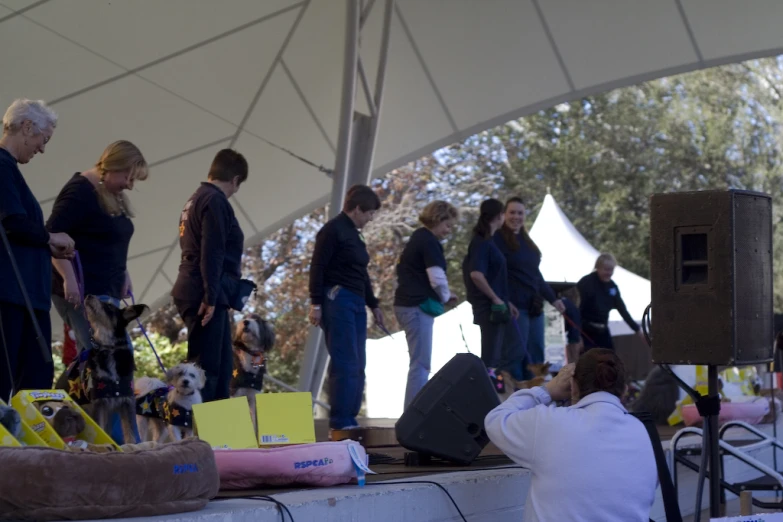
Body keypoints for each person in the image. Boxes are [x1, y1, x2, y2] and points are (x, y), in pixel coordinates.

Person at [485, 349, 657, 522]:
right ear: (624, 390)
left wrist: (548, 390)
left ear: (573, 386)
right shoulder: (643, 433)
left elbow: (495, 420)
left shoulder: (550, 423)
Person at [0, 98, 74, 402]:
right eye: (43, 140)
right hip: (11, 296)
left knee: (37, 379)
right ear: (27, 127)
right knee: (21, 378)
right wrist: (49, 238)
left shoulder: (10, 170)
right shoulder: (2, 167)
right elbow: (13, 221)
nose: (42, 148)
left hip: (25, 295)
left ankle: (25, 447)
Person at [47, 140, 149, 355]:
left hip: (107, 289)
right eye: (128, 178)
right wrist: (69, 278)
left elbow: (108, 240)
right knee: (102, 354)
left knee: (113, 353)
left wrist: (124, 272)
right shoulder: (79, 192)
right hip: (85, 291)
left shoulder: (111, 194)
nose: (130, 185)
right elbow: (52, 236)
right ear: (113, 167)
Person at [171, 149, 248, 403]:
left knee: (223, 364)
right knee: (209, 369)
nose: (235, 191)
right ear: (235, 180)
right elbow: (212, 251)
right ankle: (206, 434)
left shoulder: (196, 198)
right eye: (238, 185)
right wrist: (211, 295)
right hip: (203, 291)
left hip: (196, 285)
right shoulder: (215, 201)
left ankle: (218, 430)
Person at [308, 184, 385, 430]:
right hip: (336, 298)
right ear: (358, 209)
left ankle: (350, 417)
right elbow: (317, 267)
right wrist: (316, 303)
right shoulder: (332, 231)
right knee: (345, 361)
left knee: (359, 362)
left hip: (356, 301)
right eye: (370, 213)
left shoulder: (355, 234)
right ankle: (340, 421)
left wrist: (374, 304)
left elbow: (361, 272)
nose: (371, 218)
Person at [394, 200, 459, 408]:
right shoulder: (429, 242)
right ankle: (414, 414)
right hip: (416, 306)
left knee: (418, 362)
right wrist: (446, 296)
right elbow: (437, 277)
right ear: (438, 220)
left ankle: (412, 410)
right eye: (447, 225)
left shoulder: (417, 238)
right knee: (421, 364)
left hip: (406, 304)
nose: (448, 231)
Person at [494, 197, 565, 384]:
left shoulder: (527, 242)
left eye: (520, 213)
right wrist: (503, 300)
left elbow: (536, 275)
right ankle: (510, 399)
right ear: (504, 215)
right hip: (515, 308)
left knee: (536, 356)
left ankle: (535, 398)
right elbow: (492, 275)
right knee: (515, 355)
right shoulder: (497, 240)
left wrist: (553, 299)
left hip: (534, 307)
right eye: (512, 212)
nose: (516, 217)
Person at [463, 198, 518, 394]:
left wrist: (505, 300)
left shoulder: (488, 242)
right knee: (491, 359)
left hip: (499, 306)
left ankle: (498, 394)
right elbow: (476, 274)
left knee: (501, 355)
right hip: (489, 309)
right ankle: (488, 397)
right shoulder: (481, 243)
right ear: (499, 216)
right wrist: (495, 298)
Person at [577, 253, 646, 351]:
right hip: (585, 331)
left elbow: (622, 310)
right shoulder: (586, 283)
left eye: (611, 270)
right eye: (606, 269)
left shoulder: (612, 287)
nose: (609, 273)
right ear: (598, 268)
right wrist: (577, 335)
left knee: (610, 358)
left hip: (603, 330)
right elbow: (577, 309)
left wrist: (638, 330)